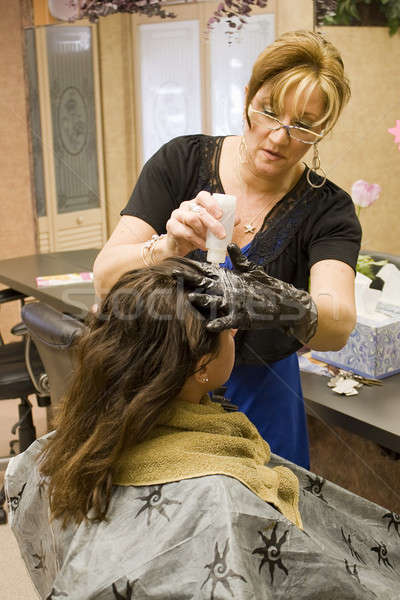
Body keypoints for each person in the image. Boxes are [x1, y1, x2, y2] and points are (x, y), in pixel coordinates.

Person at [5, 259, 400, 600]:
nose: (235, 332)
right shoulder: (219, 501)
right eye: (228, 328)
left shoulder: (55, 448)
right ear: (200, 367)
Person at [93, 30, 362, 469]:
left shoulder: (328, 209)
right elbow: (105, 279)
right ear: (247, 99)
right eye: (269, 112)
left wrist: (270, 303)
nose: (278, 137)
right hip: (161, 391)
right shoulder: (179, 163)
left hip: (266, 395)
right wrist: (169, 246)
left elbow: (338, 325)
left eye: (303, 126)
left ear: (322, 130)